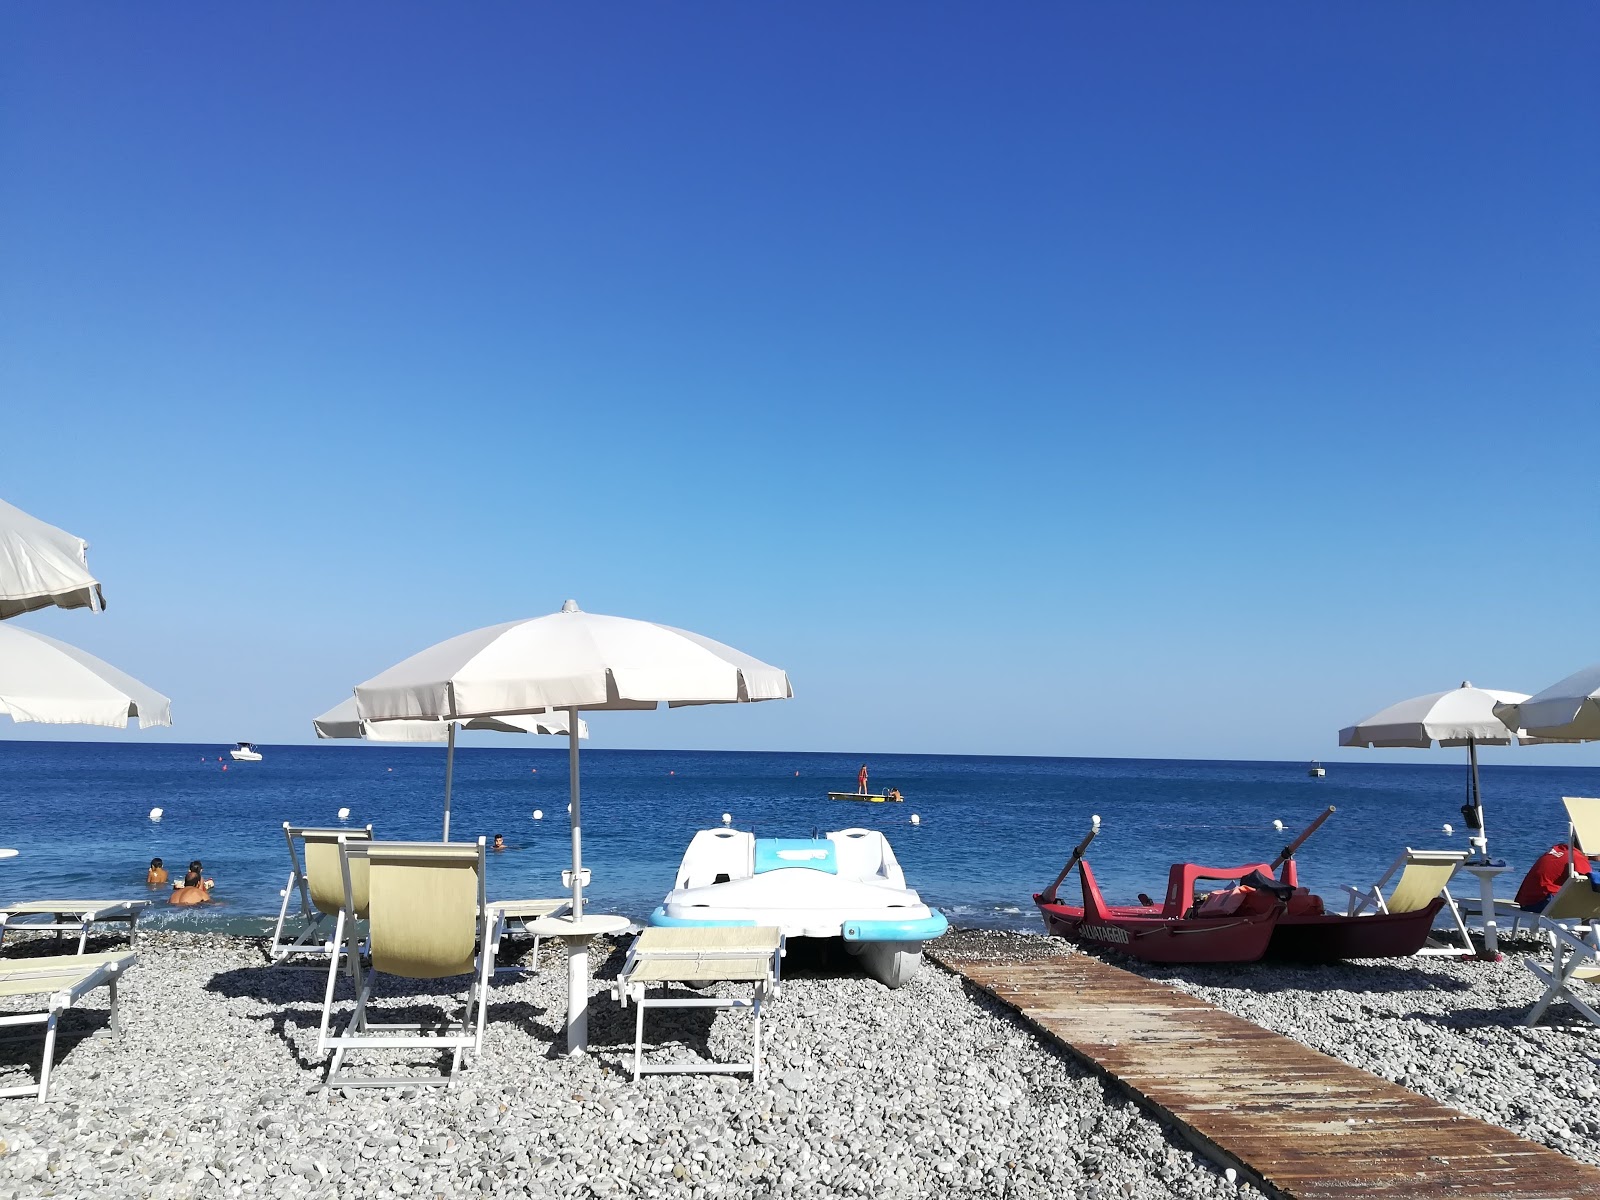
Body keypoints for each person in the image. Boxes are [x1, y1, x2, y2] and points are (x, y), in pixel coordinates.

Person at [1515, 839, 1591, 913]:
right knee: (1592, 899)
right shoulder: (1577, 857)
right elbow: (1590, 885)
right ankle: (1590, 925)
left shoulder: (1560, 849)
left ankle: (1589, 925)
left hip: (1527, 901)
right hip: (1540, 903)